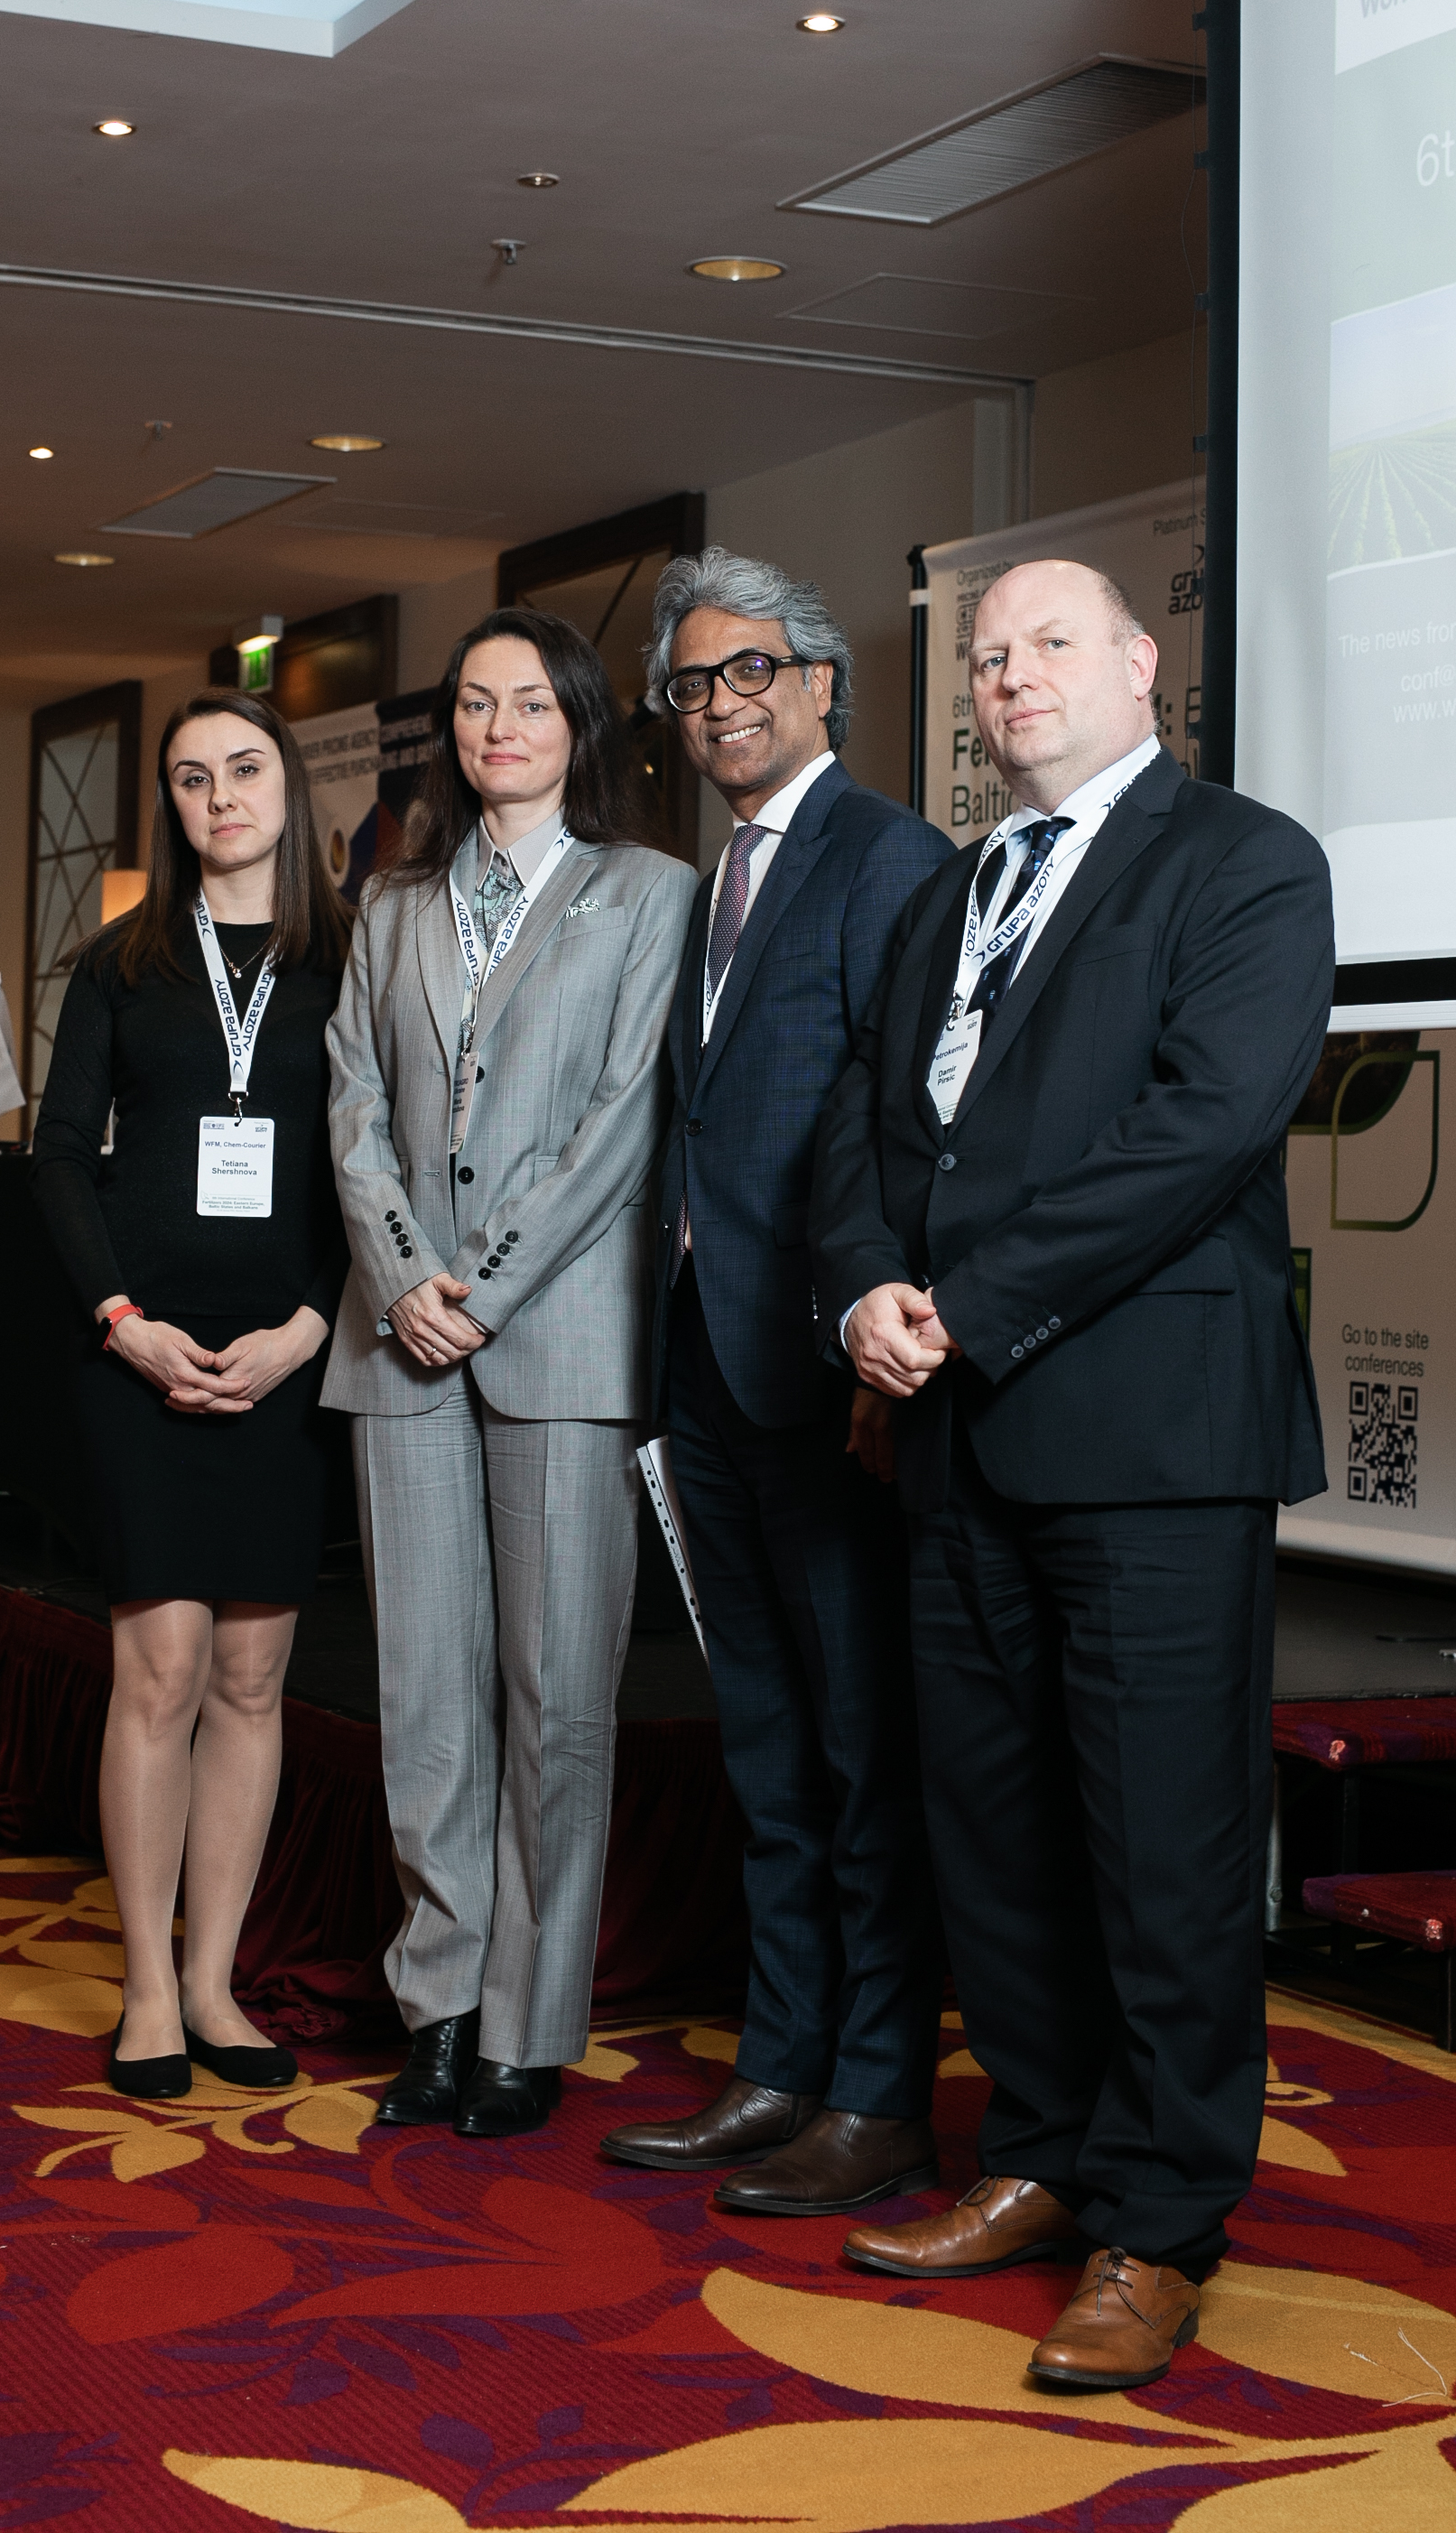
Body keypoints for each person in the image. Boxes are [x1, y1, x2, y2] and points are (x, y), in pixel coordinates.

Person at [811, 558, 1332, 2392]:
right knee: (998, 1836)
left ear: (1139, 663)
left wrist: (965, 1306)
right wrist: (865, 1288)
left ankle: (1160, 2223)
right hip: (958, 1435)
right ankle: (1037, 2158)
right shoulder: (950, 893)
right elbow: (873, 1126)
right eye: (985, 656)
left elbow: (1201, 1131)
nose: (1010, 676)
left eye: (1047, 644)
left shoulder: (1247, 862)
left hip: (1151, 1440)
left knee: (1162, 1849)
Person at [597, 549, 953, 2214]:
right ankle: (782, 2063)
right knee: (766, 1743)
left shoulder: (892, 858)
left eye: (750, 671)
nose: (719, 703)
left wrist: (876, 1348)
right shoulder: (705, 883)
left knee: (862, 1749)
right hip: (701, 1367)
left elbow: (903, 1117)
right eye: (692, 684)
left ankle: (880, 2096)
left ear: (821, 680)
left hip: (827, 1377)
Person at [325, 606, 695, 2139]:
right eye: (476, 705)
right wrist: (405, 1275)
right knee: (424, 1694)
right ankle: (440, 2007)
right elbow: (351, 1101)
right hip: (398, 1338)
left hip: (563, 1336)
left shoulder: (650, 893)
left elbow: (625, 1120)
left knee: (557, 1699)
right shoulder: (395, 904)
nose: (499, 729)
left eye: (531, 702)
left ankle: (528, 2029)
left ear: (581, 723)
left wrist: (485, 1283)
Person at [32, 689, 350, 2102]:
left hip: (287, 1353)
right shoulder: (122, 964)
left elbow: (382, 1161)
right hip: (140, 1349)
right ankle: (150, 1990)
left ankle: (216, 1980)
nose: (221, 797)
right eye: (191, 777)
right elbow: (58, 1154)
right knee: (159, 1671)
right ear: (169, 803)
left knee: (252, 1677)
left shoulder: (352, 957)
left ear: (290, 785)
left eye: (245, 768)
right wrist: (121, 1324)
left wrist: (312, 1328)